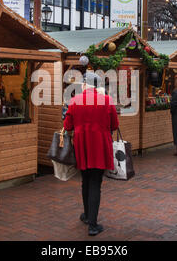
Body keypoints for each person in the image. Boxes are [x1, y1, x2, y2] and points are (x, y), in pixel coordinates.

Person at [63, 72, 119, 236]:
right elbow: (114, 125)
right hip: (100, 145)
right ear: (98, 85)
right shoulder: (107, 100)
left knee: (85, 179)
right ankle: (93, 224)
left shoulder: (74, 101)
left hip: (82, 145)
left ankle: (87, 216)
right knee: (95, 182)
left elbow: (67, 126)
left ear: (85, 85)